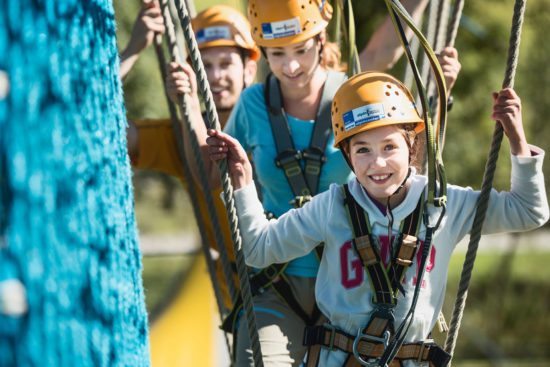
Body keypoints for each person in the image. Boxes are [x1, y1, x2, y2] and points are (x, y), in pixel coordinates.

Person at [166, 0, 463, 365]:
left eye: (301, 50)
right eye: (276, 54)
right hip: (278, 281)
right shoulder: (252, 104)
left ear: (321, 42)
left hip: (354, 285)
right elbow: (211, 175)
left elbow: (403, 150)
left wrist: (436, 96)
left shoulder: (351, 96)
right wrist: (190, 106)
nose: (290, 66)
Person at [206, 71, 549, 366]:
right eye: (363, 151)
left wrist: (517, 140)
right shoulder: (332, 206)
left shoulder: (443, 204)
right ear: (348, 157)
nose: (378, 163)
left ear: (411, 147)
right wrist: (243, 183)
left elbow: (528, 211)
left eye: (389, 147)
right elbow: (259, 249)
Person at [123, 4, 260, 313]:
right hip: (239, 300)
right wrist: (133, 49)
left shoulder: (275, 128)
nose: (216, 76)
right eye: (205, 66)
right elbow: (101, 129)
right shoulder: (180, 136)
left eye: (226, 63)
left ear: (248, 70)